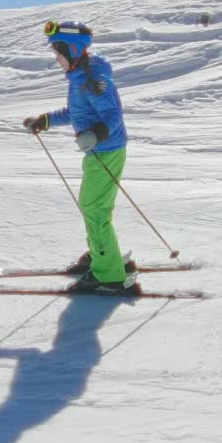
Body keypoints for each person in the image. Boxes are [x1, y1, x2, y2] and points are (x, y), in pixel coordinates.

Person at [23, 20, 138, 295]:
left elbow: (112, 115)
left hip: (105, 151)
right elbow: (77, 113)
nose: (56, 58)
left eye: (58, 52)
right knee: (94, 207)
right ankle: (103, 256)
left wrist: (97, 133)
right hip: (102, 151)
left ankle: (109, 277)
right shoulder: (81, 76)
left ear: (73, 50)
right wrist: (46, 120)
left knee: (94, 209)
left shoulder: (91, 79)